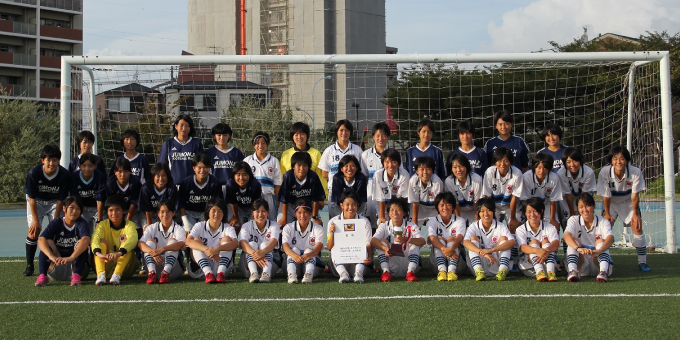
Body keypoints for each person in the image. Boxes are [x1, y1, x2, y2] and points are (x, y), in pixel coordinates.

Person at [597, 146, 650, 272]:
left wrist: (636, 214)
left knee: (637, 227)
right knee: (605, 229)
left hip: (628, 202)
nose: (619, 162)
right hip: (612, 202)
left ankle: (642, 262)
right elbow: (606, 195)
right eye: (615, 159)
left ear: (626, 160)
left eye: (622, 159)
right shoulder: (605, 172)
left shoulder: (635, 172)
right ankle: (605, 260)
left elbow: (635, 195)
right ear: (611, 160)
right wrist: (608, 213)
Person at [23, 144, 70, 276]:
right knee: (34, 231)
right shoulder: (34, 173)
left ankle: (52, 261)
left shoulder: (64, 174)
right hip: (36, 201)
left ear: (58, 161)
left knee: (56, 231)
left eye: (54, 160)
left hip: (55, 203)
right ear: (42, 160)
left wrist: (55, 220)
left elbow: (61, 199)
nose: (51, 163)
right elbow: (31, 198)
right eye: (48, 160)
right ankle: (30, 265)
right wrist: (36, 221)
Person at [482, 147, 523, 271]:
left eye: (506, 160)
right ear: (495, 161)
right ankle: (493, 258)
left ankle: (515, 261)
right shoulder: (489, 172)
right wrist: (491, 216)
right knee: (493, 230)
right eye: (499, 161)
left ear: (510, 161)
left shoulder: (517, 173)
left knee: (515, 230)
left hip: (510, 206)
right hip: (494, 206)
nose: (502, 164)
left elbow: (514, 197)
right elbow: (488, 197)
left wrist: (513, 218)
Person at [34, 196, 90, 286]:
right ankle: (43, 276)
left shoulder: (82, 223)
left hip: (75, 266)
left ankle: (76, 275)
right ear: (64, 208)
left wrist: (71, 258)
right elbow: (41, 239)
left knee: (81, 243)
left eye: (78, 209)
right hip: (57, 264)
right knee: (48, 242)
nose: (75, 211)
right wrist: (52, 256)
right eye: (72, 208)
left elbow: (86, 240)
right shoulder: (57, 222)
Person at [185, 198, 238, 283]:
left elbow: (235, 243)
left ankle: (220, 273)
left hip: (220, 266)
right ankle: (208, 273)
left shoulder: (228, 228)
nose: (216, 214)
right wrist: (208, 250)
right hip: (200, 270)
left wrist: (216, 249)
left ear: (224, 213)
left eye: (220, 210)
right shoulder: (199, 225)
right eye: (213, 210)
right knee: (196, 240)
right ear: (208, 212)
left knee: (227, 239)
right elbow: (188, 241)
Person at [371, 197, 425, 282]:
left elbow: (422, 241)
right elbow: (373, 240)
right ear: (388, 213)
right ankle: (386, 272)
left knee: (414, 244)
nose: (395, 213)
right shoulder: (384, 225)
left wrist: (407, 240)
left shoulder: (411, 225)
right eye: (392, 210)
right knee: (382, 243)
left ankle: (411, 272)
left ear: (404, 213)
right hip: (391, 264)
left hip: (407, 262)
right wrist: (386, 249)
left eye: (398, 210)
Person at [564, 193, 614, 282]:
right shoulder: (573, 220)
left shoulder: (603, 221)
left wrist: (599, 250)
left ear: (594, 206)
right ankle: (572, 271)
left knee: (601, 241)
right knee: (574, 241)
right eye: (581, 207)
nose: (584, 210)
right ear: (577, 208)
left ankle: (603, 272)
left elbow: (610, 238)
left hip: (597, 261)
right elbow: (566, 235)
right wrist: (578, 248)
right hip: (581, 263)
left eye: (587, 206)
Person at [91, 195, 140, 286]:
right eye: (111, 210)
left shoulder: (130, 225)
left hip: (126, 269)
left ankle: (117, 275)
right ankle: (101, 275)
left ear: (124, 211)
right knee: (100, 243)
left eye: (117, 210)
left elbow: (133, 239)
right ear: (107, 212)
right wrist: (99, 254)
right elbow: (94, 240)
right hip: (106, 264)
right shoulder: (102, 225)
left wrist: (119, 253)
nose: (114, 213)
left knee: (127, 246)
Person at [463, 197, 515, 281]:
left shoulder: (500, 226)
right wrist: (482, 252)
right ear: (478, 213)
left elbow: (512, 242)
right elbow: (465, 242)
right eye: (482, 211)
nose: (486, 214)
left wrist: (491, 250)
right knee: (473, 239)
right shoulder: (474, 226)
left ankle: (502, 271)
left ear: (494, 211)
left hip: (496, 263)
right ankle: (479, 271)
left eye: (488, 210)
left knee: (504, 239)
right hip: (480, 262)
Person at [318, 119, 364, 214]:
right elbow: (325, 173)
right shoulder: (329, 151)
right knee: (335, 221)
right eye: (341, 130)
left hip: (354, 191)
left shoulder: (357, 150)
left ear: (350, 132)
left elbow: (361, 171)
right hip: (335, 191)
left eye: (347, 130)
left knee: (354, 220)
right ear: (336, 132)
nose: (344, 133)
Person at [327, 190, 373, 283]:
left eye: (354, 204)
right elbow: (329, 247)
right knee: (334, 248)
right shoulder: (334, 221)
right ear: (341, 206)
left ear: (358, 206)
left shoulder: (364, 221)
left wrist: (370, 258)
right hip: (340, 265)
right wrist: (332, 234)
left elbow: (368, 244)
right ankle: (343, 273)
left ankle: (358, 274)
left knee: (362, 247)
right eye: (347, 204)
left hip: (360, 264)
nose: (350, 207)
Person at [138, 200, 185, 284]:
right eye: (162, 212)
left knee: (173, 241)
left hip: (173, 270)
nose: (165, 215)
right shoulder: (151, 228)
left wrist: (162, 249)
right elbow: (140, 244)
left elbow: (181, 244)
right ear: (158, 214)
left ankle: (165, 273)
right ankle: (152, 273)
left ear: (173, 213)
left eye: (168, 212)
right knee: (149, 242)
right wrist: (152, 252)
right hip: (154, 265)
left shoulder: (178, 228)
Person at [515, 197, 560, 282]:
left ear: (541, 211)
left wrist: (545, 251)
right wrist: (536, 250)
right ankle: (540, 272)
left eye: (535, 211)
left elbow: (556, 244)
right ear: (525, 213)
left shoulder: (550, 227)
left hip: (548, 264)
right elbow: (523, 247)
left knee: (545, 242)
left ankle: (551, 273)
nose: (532, 215)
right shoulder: (520, 229)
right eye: (529, 211)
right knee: (534, 242)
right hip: (529, 267)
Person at [281, 199, 324, 284]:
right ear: (295, 213)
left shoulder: (318, 228)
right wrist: (294, 255)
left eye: (305, 212)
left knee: (308, 250)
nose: (302, 216)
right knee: (294, 250)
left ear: (311, 213)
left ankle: (308, 275)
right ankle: (291, 274)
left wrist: (309, 254)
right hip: (293, 262)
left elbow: (318, 248)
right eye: (299, 213)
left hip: (312, 264)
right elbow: (285, 247)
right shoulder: (288, 227)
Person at [277, 152, 326, 227]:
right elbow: (284, 200)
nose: (302, 168)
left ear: (308, 167)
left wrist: (314, 217)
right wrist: (284, 218)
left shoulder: (313, 176)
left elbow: (316, 199)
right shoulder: (288, 176)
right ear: (293, 166)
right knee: (281, 226)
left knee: (317, 226)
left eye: (305, 165)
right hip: (290, 206)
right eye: (299, 165)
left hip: (307, 206)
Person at [177, 153, 223, 233]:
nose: (202, 170)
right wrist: (186, 223)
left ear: (209, 168)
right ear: (194, 168)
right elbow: (181, 205)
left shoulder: (215, 183)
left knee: (205, 232)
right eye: (199, 167)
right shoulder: (186, 183)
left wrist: (207, 220)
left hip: (207, 213)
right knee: (190, 233)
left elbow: (217, 204)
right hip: (190, 213)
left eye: (205, 167)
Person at [426, 192, 467, 281]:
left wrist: (451, 248)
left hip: (458, 265)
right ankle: (442, 271)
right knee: (439, 239)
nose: (445, 208)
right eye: (442, 205)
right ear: (437, 207)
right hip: (436, 266)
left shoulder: (460, 220)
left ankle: (451, 271)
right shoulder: (432, 221)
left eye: (448, 205)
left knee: (451, 239)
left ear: (453, 207)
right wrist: (445, 249)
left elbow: (459, 238)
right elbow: (432, 239)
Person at [280, 122, 327, 197]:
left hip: (310, 197)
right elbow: (282, 177)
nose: (299, 137)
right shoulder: (286, 154)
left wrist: (323, 196)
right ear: (292, 137)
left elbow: (320, 177)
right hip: (291, 198)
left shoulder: (316, 153)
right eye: (296, 134)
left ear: (307, 136)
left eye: (302, 134)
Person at [238, 199, 280, 283]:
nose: (260, 214)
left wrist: (263, 252)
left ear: (268, 212)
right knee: (252, 244)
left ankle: (266, 274)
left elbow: (273, 243)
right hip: (248, 266)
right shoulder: (246, 226)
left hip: (269, 264)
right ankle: (253, 273)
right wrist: (256, 255)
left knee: (265, 245)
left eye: (263, 211)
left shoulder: (274, 225)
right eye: (257, 211)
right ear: (252, 213)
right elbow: (243, 243)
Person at [244, 131, 282, 221]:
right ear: (253, 145)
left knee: (271, 223)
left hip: (269, 196)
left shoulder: (273, 161)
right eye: (257, 143)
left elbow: (277, 184)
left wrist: (277, 202)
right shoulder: (247, 160)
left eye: (263, 143)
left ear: (267, 144)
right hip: (253, 197)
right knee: (254, 223)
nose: (260, 146)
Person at [360, 122, 391, 227]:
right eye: (377, 135)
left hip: (389, 194)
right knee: (371, 225)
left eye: (383, 135)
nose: (380, 138)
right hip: (371, 195)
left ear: (388, 136)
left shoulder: (394, 154)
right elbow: (363, 176)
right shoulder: (365, 155)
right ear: (373, 137)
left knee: (388, 225)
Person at [521, 153, 563, 229]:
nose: (541, 171)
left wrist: (552, 219)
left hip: (546, 204)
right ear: (534, 167)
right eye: (539, 168)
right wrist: (527, 217)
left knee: (554, 226)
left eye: (545, 168)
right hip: (530, 205)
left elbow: (553, 200)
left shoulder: (554, 178)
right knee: (529, 224)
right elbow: (526, 201)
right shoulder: (526, 177)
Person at [158, 114, 204, 183]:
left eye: (187, 126)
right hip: (173, 185)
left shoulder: (196, 144)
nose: (184, 128)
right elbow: (162, 166)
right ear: (176, 126)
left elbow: (202, 165)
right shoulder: (168, 144)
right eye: (181, 125)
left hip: (192, 184)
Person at [556, 147, 595, 226]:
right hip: (566, 198)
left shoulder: (589, 172)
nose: (572, 165)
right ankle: (567, 236)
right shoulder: (561, 173)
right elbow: (568, 194)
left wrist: (580, 210)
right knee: (568, 220)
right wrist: (572, 213)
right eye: (568, 162)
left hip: (583, 196)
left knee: (584, 218)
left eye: (575, 161)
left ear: (581, 161)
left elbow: (584, 195)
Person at [69, 153, 106, 234]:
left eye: (90, 166)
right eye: (84, 165)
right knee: (82, 234)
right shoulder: (74, 177)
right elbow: (75, 200)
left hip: (96, 209)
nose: (87, 168)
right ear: (79, 165)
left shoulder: (100, 177)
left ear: (95, 166)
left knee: (98, 234)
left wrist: (99, 221)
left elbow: (100, 199)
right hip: (82, 209)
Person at [373, 148, 410, 227]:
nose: (390, 165)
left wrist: (396, 214)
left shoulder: (404, 174)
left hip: (399, 205)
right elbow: (380, 198)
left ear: (398, 163)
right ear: (383, 163)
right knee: (383, 226)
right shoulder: (378, 174)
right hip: (383, 206)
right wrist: (382, 217)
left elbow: (401, 198)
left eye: (394, 162)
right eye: (387, 162)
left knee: (399, 226)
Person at [444, 153, 483, 223]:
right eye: (455, 167)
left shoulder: (477, 179)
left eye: (461, 166)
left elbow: (477, 202)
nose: (458, 170)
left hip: (473, 210)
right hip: (460, 210)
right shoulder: (449, 181)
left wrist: (477, 219)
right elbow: (455, 203)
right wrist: (458, 220)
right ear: (451, 169)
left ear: (466, 166)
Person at [225, 161, 262, 231]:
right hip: (237, 208)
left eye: (244, 174)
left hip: (251, 208)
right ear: (234, 176)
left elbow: (256, 204)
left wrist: (255, 217)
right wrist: (235, 216)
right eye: (238, 175)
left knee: (254, 225)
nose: (241, 178)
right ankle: (235, 241)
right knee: (234, 225)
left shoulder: (255, 185)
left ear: (249, 175)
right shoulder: (230, 185)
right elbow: (233, 202)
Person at [408, 156, 444, 227]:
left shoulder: (437, 182)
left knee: (437, 228)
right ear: (416, 171)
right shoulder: (413, 181)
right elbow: (415, 202)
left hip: (433, 208)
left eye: (428, 169)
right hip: (419, 208)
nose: (425, 172)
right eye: (422, 169)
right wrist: (414, 219)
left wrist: (439, 220)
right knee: (413, 229)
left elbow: (439, 203)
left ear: (432, 170)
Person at [138, 163, 178, 228]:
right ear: (153, 176)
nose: (161, 179)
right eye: (158, 176)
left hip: (165, 214)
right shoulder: (146, 188)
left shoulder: (172, 188)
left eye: (163, 175)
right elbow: (148, 209)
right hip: (149, 215)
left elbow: (170, 209)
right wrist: (149, 225)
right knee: (148, 231)